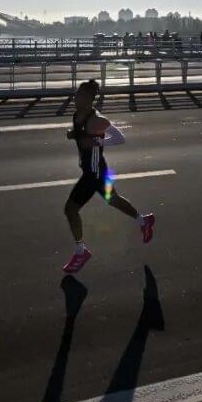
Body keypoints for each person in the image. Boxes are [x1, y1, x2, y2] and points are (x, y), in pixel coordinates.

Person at [62, 79, 155, 273]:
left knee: (71, 209)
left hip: (93, 174)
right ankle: (143, 221)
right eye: (76, 93)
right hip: (96, 171)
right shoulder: (77, 115)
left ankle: (81, 251)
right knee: (113, 200)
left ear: (88, 99)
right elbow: (82, 135)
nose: (75, 97)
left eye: (79, 94)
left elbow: (120, 138)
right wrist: (74, 135)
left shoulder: (97, 120)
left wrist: (97, 142)